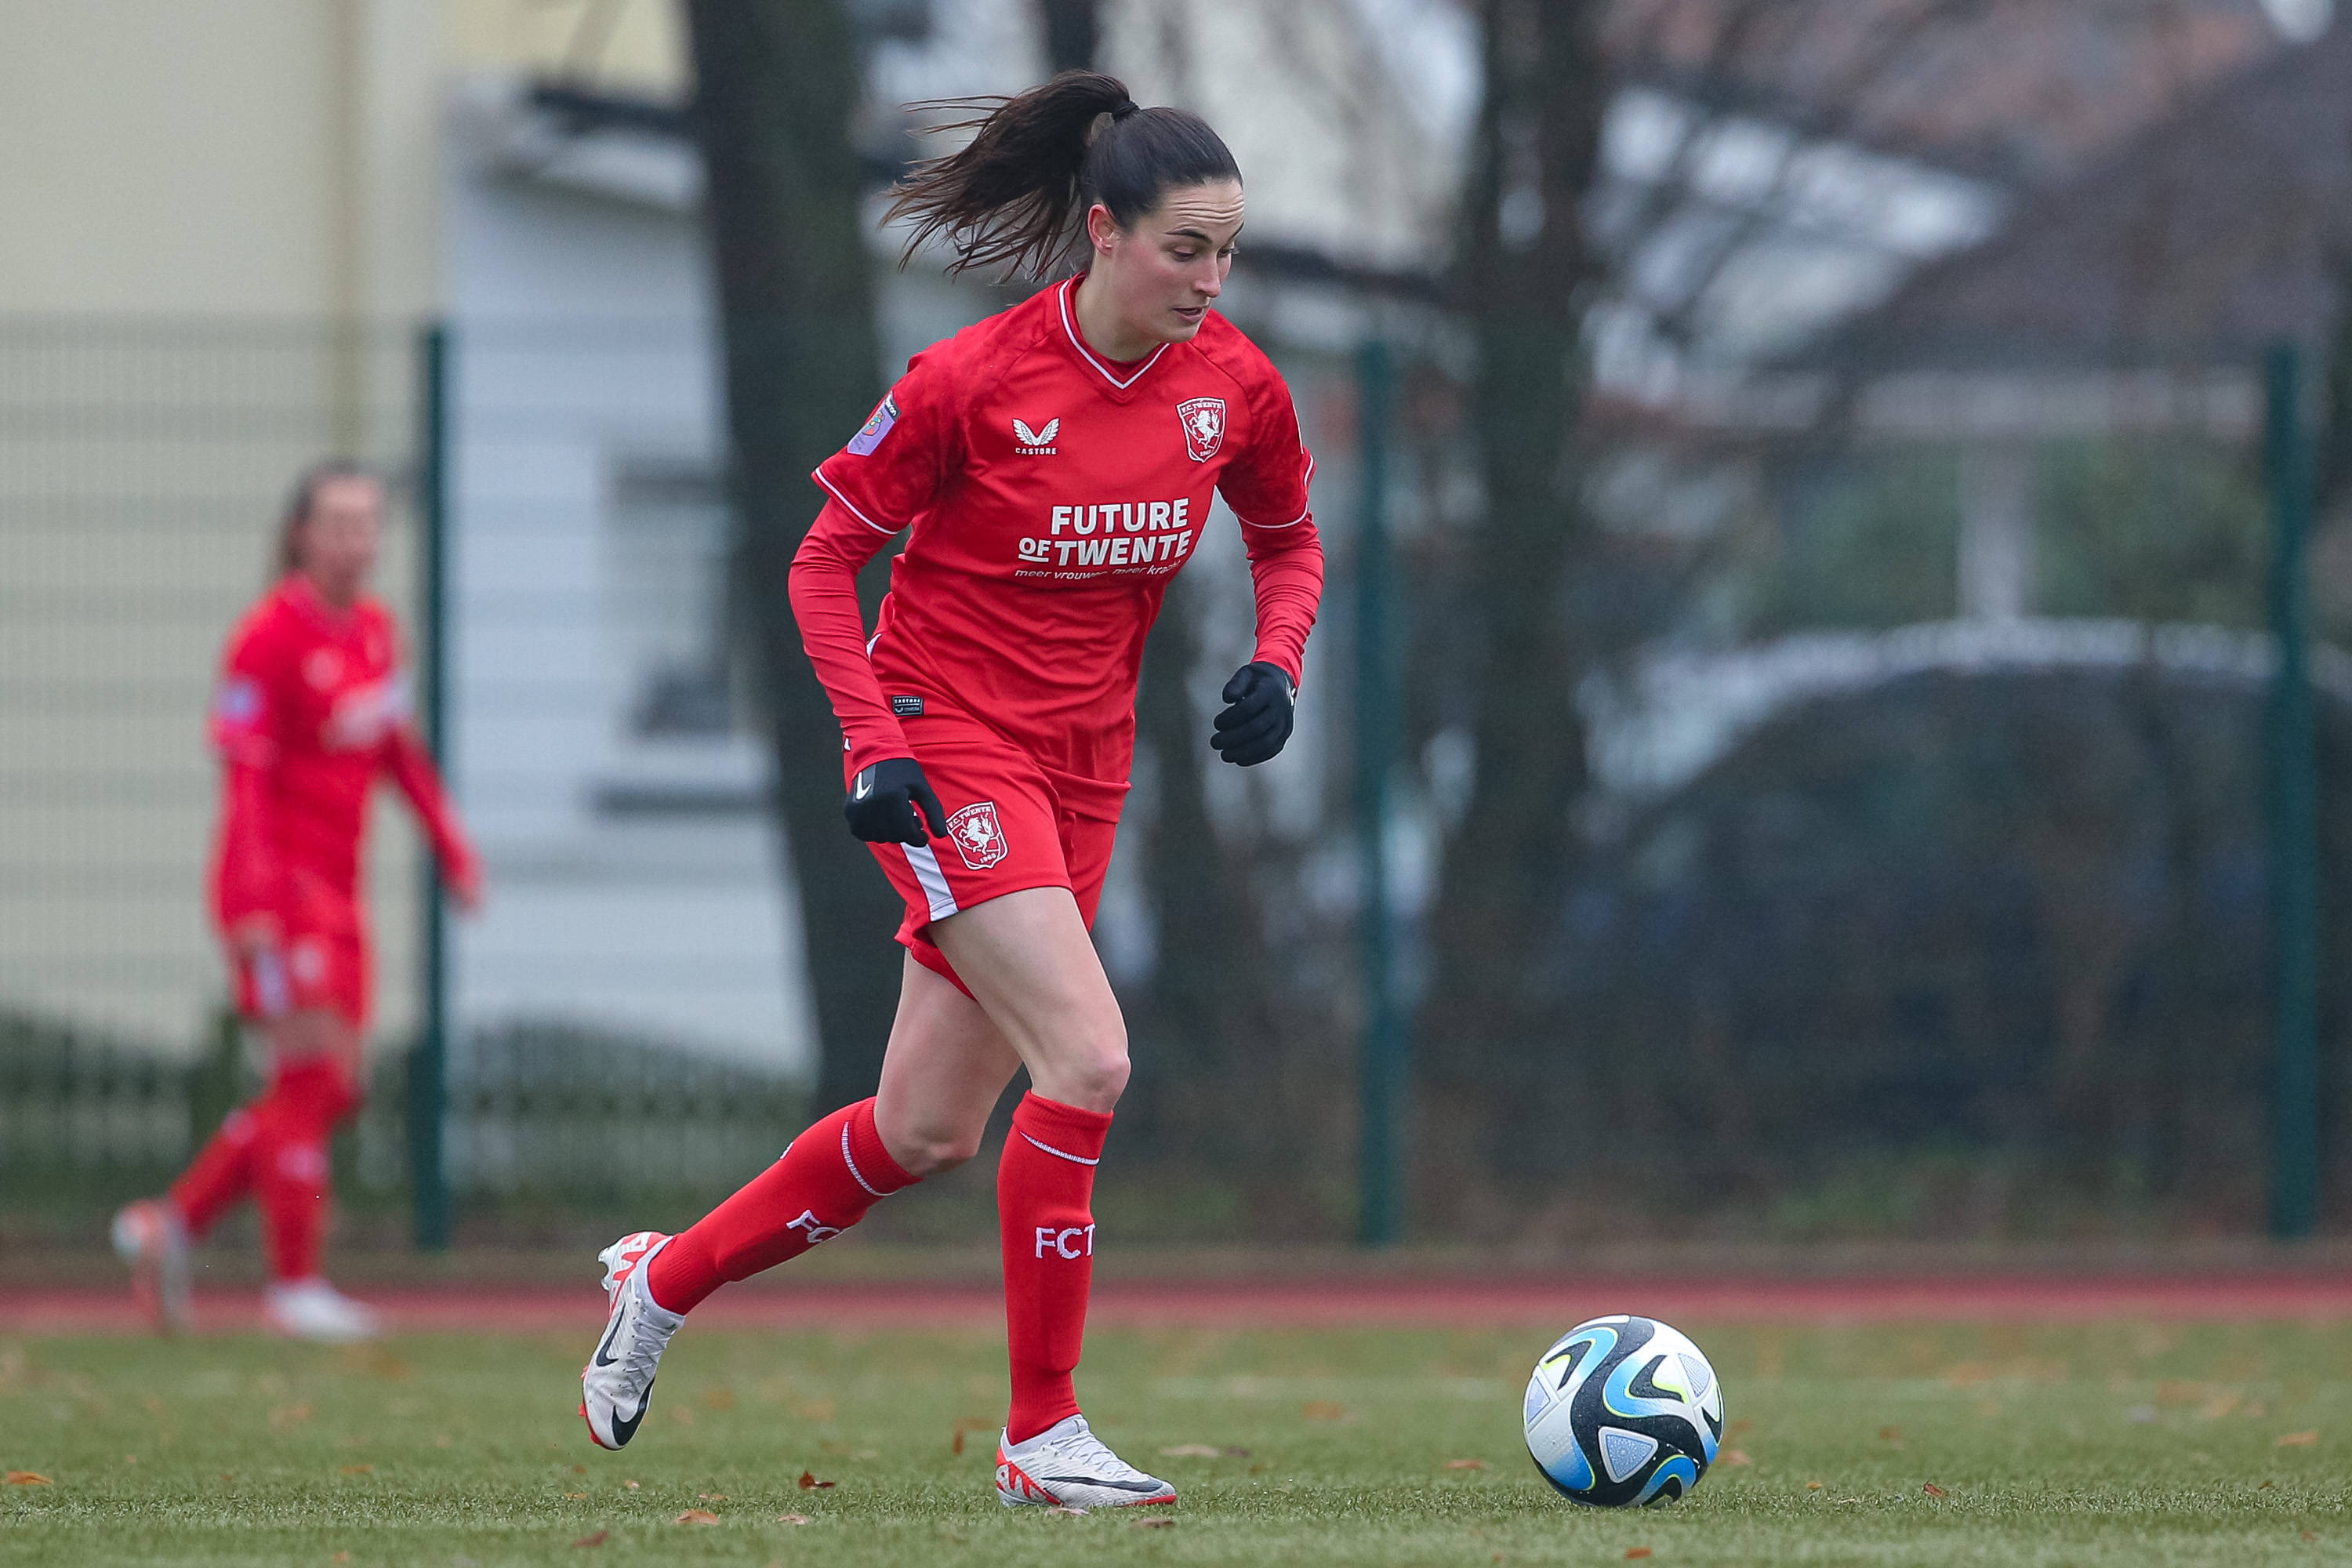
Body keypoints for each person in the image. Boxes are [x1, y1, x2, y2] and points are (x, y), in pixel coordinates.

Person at [579, 71, 1322, 1509]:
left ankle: (657, 1281)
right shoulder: (971, 380)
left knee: (921, 1130)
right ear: (1103, 234)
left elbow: (1288, 542)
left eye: (1229, 253)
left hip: (1085, 769)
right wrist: (875, 744)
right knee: (1091, 1062)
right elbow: (815, 562)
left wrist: (1279, 662)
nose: (1210, 280)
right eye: (1186, 250)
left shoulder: (1234, 385)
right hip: (952, 737)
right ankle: (1040, 1437)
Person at [111, 463, 482, 1343]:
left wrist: (451, 845)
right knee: (307, 1077)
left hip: (340, 891)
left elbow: (397, 750)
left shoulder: (377, 634)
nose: (356, 539)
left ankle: (171, 1223)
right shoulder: (265, 638)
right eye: (338, 522)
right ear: (300, 534)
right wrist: (249, 901)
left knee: (330, 1085)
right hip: (278, 890)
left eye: (368, 523)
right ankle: (293, 1284)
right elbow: (242, 778)